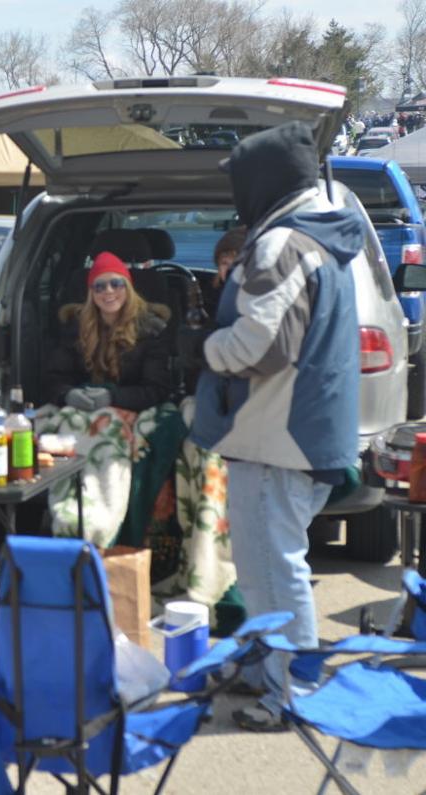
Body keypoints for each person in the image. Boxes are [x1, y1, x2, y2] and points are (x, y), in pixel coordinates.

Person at [185, 121, 363, 731]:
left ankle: (291, 693)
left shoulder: (281, 243)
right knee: (266, 567)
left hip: (277, 438)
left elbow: (260, 347)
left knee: (275, 571)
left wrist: (203, 349)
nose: (235, 192)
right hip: (291, 436)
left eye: (238, 179)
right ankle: (268, 671)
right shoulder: (317, 236)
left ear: (261, 181)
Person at [44, 251, 171, 413]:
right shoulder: (75, 327)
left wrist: (112, 397)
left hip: (135, 412)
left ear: (127, 288)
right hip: (82, 409)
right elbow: (55, 378)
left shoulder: (151, 329)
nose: (108, 291)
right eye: (99, 286)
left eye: (116, 284)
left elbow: (157, 390)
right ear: (92, 293)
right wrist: (67, 395)